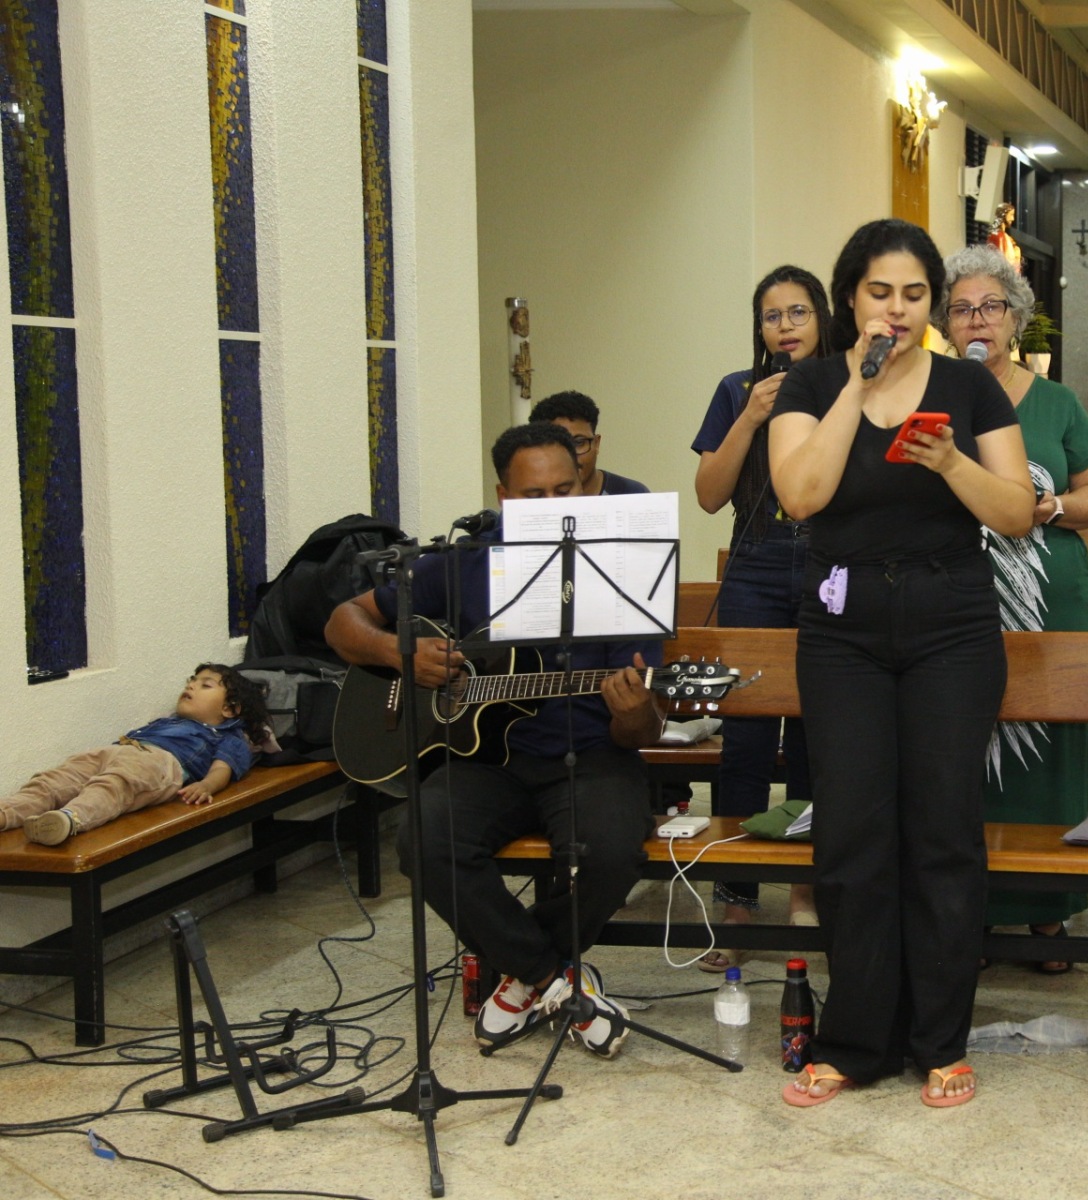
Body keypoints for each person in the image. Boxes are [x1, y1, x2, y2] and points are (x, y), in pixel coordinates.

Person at [768, 218, 1033, 1109]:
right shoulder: (811, 382)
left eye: (915, 295)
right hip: (841, 630)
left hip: (951, 623)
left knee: (942, 832)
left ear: (934, 305)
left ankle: (940, 1040)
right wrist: (858, 383)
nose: (897, 309)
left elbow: (1015, 513)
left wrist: (951, 460)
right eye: (880, 292)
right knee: (851, 833)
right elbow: (801, 494)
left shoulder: (968, 386)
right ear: (850, 297)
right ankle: (855, 1041)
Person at [325, 423, 664, 1057]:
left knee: (613, 850)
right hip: (483, 760)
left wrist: (635, 711)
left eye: (566, 490)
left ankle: (521, 975)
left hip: (592, 754)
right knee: (423, 839)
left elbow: (643, 729)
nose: (553, 506)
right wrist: (398, 654)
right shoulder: (463, 563)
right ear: (503, 497)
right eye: (534, 496)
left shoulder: (623, 571)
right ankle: (552, 978)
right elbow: (343, 622)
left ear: (586, 487)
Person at [934, 244, 1088, 974]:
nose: (978, 320)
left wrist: (1055, 505)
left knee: (1047, 746)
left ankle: (1048, 909)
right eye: (962, 309)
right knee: (960, 747)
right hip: (956, 596)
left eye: (991, 307)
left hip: (1048, 594)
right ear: (945, 324)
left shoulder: (1056, 402)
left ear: (1015, 318)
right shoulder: (932, 395)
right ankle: (967, 912)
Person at [690, 265, 835, 965]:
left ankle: (805, 889)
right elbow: (709, 495)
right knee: (744, 737)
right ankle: (737, 897)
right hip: (754, 566)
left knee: (815, 733)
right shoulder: (734, 390)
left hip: (828, 563)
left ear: (822, 318)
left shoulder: (845, 387)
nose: (785, 327)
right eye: (772, 316)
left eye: (798, 312)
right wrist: (750, 416)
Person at [2, 665, 269, 845]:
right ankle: (7, 812)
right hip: (120, 749)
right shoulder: (171, 720)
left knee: (115, 785)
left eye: (205, 685)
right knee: (55, 780)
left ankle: (69, 819)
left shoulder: (229, 736)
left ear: (229, 709)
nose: (191, 686)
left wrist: (206, 785)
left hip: (161, 763)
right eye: (192, 680)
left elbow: (222, 768)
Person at [529, 391, 650, 496]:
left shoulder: (632, 494)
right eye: (559, 446)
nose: (571, 457)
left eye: (579, 442)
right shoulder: (531, 500)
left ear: (596, 444)